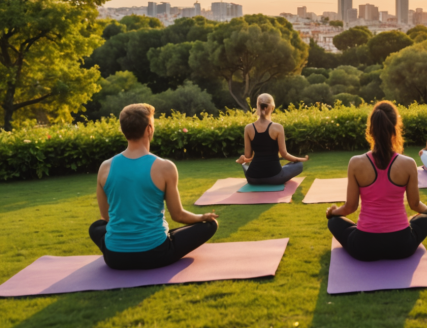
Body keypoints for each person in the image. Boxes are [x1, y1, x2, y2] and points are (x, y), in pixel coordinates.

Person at [89, 103, 219, 270]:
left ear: (123, 130)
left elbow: (106, 218)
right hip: (155, 254)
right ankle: (157, 237)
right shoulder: (165, 167)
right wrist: (202, 217)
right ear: (149, 129)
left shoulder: (105, 167)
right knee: (210, 225)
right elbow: (178, 215)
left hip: (115, 257)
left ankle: (133, 242)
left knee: (96, 227)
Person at [326, 101, 427, 261]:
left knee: (334, 222)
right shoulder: (408, 164)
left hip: (364, 247)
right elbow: (415, 205)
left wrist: (333, 212)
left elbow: (350, 207)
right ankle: (407, 223)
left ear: (371, 130)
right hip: (402, 246)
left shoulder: (355, 163)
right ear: (395, 129)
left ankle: (351, 226)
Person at [236, 93, 307, 186]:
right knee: (299, 165)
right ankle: (284, 168)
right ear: (272, 108)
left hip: (253, 178)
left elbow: (248, 155)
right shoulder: (278, 127)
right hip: (274, 177)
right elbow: (284, 154)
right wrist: (300, 159)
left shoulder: (248, 128)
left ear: (257, 107)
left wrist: (241, 159)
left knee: (247, 167)